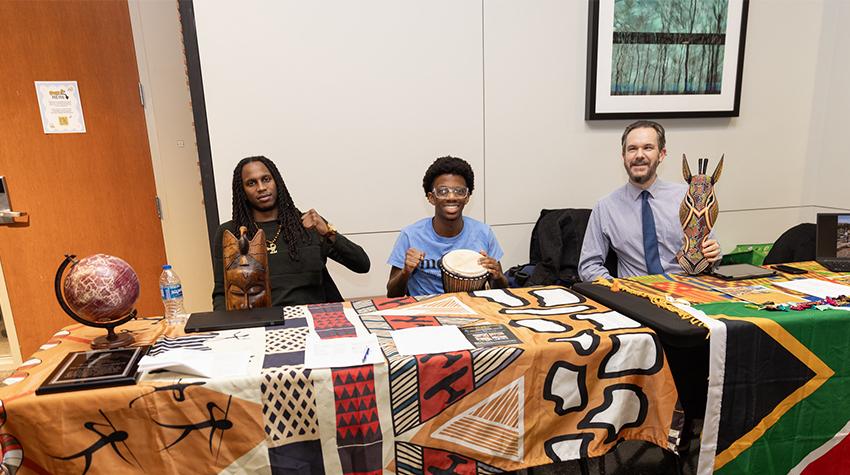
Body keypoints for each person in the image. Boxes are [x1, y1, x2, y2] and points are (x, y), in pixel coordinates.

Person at [212, 156, 370, 310]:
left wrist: (328, 232)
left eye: (266, 179)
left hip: (315, 320)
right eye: (251, 183)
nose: (261, 187)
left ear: (277, 182)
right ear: (243, 191)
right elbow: (221, 293)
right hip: (261, 324)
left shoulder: (308, 225)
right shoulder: (232, 234)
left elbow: (362, 265)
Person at [578, 120, 720, 281]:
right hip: (635, 295)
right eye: (632, 149)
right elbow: (588, 266)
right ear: (623, 156)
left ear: (661, 154)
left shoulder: (689, 198)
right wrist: (615, 287)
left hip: (687, 287)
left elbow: (711, 255)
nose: (639, 155)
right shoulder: (606, 207)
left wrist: (713, 255)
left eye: (648, 148)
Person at [387, 156, 506, 297]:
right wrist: (406, 271)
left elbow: (502, 291)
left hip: (473, 310)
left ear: (467, 197)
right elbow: (392, 295)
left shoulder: (483, 233)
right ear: (431, 197)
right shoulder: (410, 235)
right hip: (426, 312)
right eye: (443, 191)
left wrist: (497, 275)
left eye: (459, 191)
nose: (451, 197)